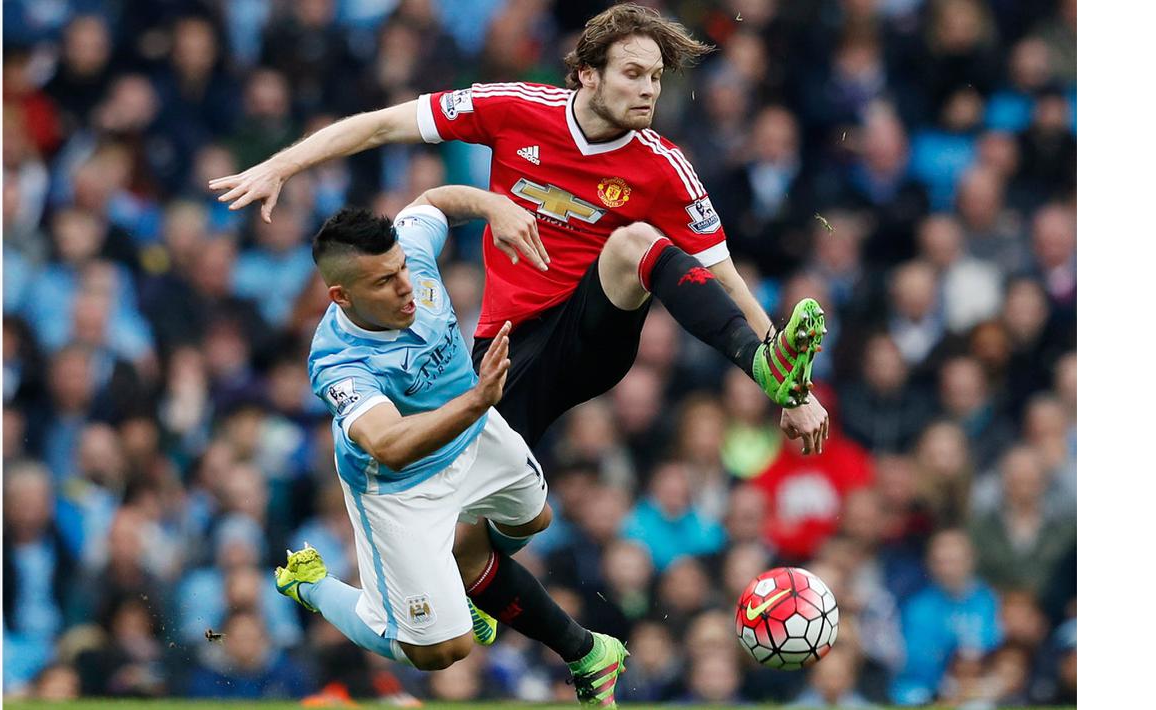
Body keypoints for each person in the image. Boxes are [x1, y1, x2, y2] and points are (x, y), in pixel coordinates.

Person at [210, 2, 830, 453]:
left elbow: (721, 274)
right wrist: (281, 165)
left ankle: (763, 364)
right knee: (483, 518)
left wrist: (789, 389)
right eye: (632, 74)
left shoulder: (662, 166)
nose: (648, 91)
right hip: (506, 346)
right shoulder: (515, 110)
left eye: (656, 78)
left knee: (635, 243)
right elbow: (379, 126)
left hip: (590, 332)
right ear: (588, 73)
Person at [272, 184, 629, 707]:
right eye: (384, 282)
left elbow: (434, 202)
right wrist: (479, 398)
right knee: (443, 650)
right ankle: (310, 583)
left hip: (472, 431)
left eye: (401, 270)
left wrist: (494, 207)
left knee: (532, 519)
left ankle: (467, 579)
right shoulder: (339, 361)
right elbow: (390, 445)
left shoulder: (410, 252)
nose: (405, 287)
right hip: (400, 488)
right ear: (341, 296)